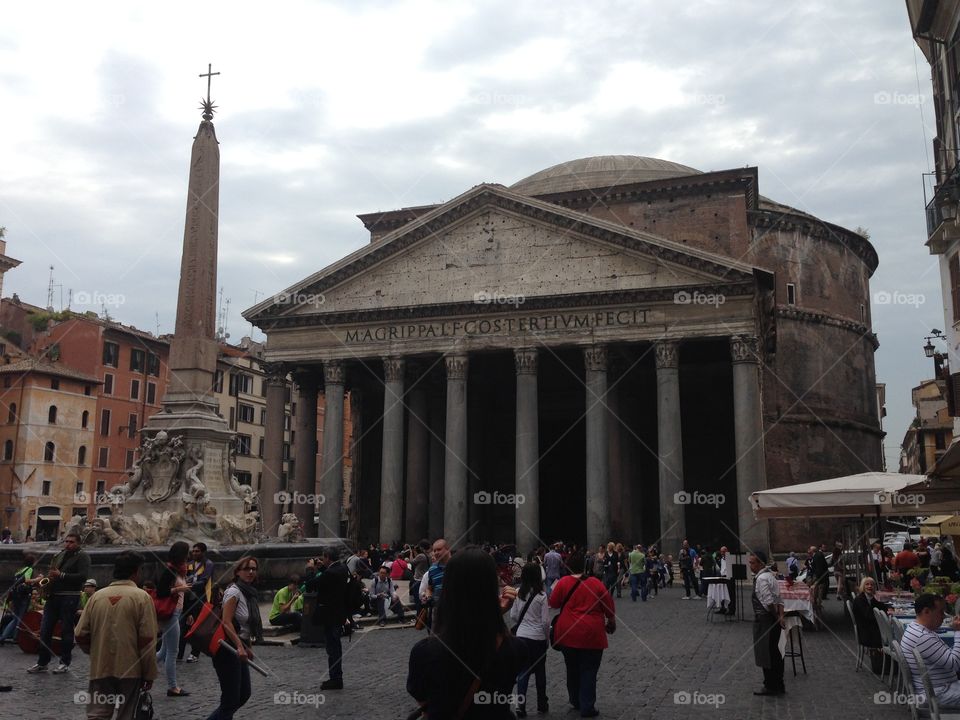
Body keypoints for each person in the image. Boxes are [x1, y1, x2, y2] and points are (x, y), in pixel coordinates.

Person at [407, 547, 524, 718]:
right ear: (493, 586)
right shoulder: (514, 648)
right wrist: (495, 615)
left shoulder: (424, 652)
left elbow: (423, 700)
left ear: (448, 589)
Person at [75, 550, 158, 720]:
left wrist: (94, 652)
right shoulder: (142, 597)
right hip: (131, 669)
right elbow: (147, 640)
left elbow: (80, 634)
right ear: (136, 571)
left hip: (100, 667)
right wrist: (149, 672)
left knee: (97, 714)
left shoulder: (96, 597)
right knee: (126, 714)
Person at [549, 552, 616, 717]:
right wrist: (611, 622)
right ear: (586, 566)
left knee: (571, 669)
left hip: (567, 633)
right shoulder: (596, 583)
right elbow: (608, 606)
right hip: (591, 634)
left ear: (567, 566)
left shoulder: (563, 582)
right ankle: (587, 706)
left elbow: (554, 603)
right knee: (589, 670)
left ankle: (575, 700)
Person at [207, 556, 262, 720]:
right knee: (230, 700)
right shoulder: (234, 592)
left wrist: (248, 647)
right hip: (227, 649)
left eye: (253, 569)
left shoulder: (250, 593)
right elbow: (226, 622)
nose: (251, 572)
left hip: (239, 648)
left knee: (243, 694)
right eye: (246, 569)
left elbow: (246, 626)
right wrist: (239, 646)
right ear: (237, 572)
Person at [27, 532, 91, 673]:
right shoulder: (60, 555)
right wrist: (47, 578)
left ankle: (64, 663)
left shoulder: (83, 556)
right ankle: (42, 662)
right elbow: (54, 572)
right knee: (44, 630)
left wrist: (61, 575)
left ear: (78, 543)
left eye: (71, 542)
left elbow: (83, 576)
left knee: (66, 631)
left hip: (69, 596)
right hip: (53, 596)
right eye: (66, 541)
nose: (67, 544)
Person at [901, 593, 960, 706]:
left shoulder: (914, 628)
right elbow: (955, 664)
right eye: (941, 612)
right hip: (937, 693)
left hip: (937, 688)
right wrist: (958, 632)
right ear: (926, 611)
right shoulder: (922, 637)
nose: (944, 616)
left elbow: (947, 657)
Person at [304, 547, 349, 690]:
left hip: (330, 615)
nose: (322, 560)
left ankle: (335, 679)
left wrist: (310, 570)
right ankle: (337, 677)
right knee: (336, 646)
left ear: (328, 557)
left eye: (324, 558)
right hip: (338, 613)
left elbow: (310, 585)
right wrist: (322, 568)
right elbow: (328, 578)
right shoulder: (342, 568)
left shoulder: (330, 573)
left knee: (332, 648)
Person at [510, 562, 550, 717]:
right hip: (537, 638)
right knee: (540, 672)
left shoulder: (518, 592)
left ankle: (520, 705)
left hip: (521, 636)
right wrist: (546, 638)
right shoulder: (541, 595)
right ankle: (542, 703)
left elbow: (513, 615)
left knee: (522, 672)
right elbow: (546, 621)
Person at [156, 540, 191, 697]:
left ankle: (138, 670)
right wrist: (179, 589)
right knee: (173, 652)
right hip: (170, 614)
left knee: (163, 652)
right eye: (187, 552)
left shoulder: (178, 570)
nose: (189, 555)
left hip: (176, 612)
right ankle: (173, 687)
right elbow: (161, 592)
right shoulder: (169, 570)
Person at [749, 551, 785, 696]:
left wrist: (776, 616)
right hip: (772, 619)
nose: (750, 565)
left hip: (765, 620)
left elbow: (769, 601)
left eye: (752, 563)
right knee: (774, 653)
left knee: (767, 654)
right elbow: (779, 599)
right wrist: (780, 616)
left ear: (760, 563)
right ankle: (779, 683)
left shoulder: (762, 579)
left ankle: (770, 685)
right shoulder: (771, 576)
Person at [180, 542, 215, 663]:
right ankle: (179, 654)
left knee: (197, 627)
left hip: (201, 599)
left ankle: (195, 653)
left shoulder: (209, 564)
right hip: (187, 599)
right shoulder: (189, 564)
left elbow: (204, 581)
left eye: (197, 551)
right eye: (193, 551)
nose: (194, 553)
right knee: (183, 626)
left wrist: (187, 586)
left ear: (203, 552)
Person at [851, 576, 892, 674]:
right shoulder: (860, 600)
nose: (870, 586)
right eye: (867, 584)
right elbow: (869, 616)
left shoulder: (868, 598)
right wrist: (883, 616)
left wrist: (888, 609)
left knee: (889, 631)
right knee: (890, 634)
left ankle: (890, 662)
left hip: (870, 629)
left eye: (872, 585)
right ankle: (887, 664)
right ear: (863, 586)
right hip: (866, 633)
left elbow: (878, 605)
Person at [0, 553, 39, 645]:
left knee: (15, 618)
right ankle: (16, 637)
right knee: (20, 618)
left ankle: (3, 637)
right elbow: (27, 580)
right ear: (33, 562)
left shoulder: (19, 570)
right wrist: (38, 579)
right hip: (23, 596)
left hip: (16, 596)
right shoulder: (29, 569)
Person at [419, 538, 451, 632]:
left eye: (439, 549)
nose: (436, 552)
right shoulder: (432, 569)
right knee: (435, 637)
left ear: (448, 549)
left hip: (453, 608)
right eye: (434, 550)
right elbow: (430, 588)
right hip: (436, 608)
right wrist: (427, 596)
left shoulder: (458, 565)